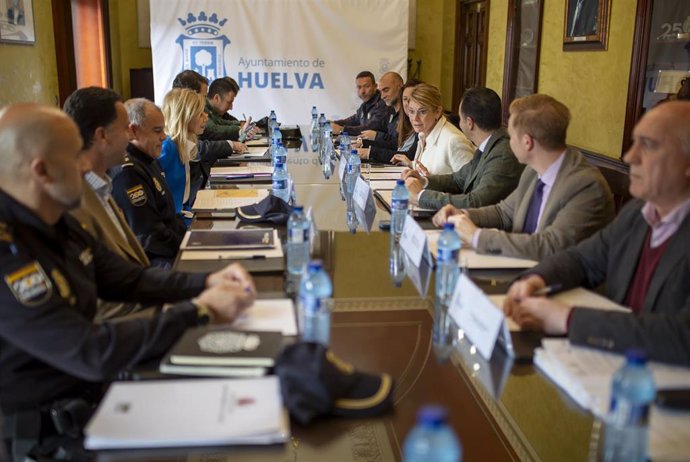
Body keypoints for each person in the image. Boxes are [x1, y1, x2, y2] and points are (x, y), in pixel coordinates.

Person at [0, 103, 256, 459]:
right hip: (49, 440)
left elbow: (128, 279)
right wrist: (199, 311)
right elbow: (89, 350)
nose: (89, 165)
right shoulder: (8, 253)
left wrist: (207, 281)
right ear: (41, 171)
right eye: (77, 157)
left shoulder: (56, 221)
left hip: (95, 404)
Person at [503, 101, 690, 366]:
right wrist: (535, 279)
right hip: (610, 366)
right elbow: (582, 258)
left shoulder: (586, 184)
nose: (629, 157)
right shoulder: (638, 212)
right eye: (634, 142)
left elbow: (682, 336)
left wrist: (567, 319)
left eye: (648, 145)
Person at [435, 94, 614, 260]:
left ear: (527, 142)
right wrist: (462, 215)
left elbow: (549, 246)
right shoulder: (533, 171)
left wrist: (477, 236)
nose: (508, 141)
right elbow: (503, 213)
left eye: (511, 136)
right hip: (520, 268)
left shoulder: (586, 185)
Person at [63, 87, 152, 319]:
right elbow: (99, 306)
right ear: (101, 135)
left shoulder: (102, 185)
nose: (131, 136)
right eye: (125, 129)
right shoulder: (71, 205)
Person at [402, 87, 524, 210]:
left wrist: (421, 196)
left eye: (460, 119)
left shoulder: (502, 154)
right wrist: (423, 181)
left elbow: (475, 203)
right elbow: (458, 179)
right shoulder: (489, 144)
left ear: (469, 123)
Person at [111, 98, 188, 268]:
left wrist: (192, 238)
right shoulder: (129, 172)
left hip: (169, 248)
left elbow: (168, 216)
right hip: (156, 261)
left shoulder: (148, 159)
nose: (164, 136)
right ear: (134, 131)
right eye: (157, 131)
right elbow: (149, 236)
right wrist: (186, 247)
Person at [390, 83, 474, 176]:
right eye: (411, 111)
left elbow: (469, 185)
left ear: (437, 112)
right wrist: (412, 164)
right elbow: (431, 169)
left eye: (422, 112)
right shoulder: (423, 133)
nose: (415, 118)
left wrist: (429, 182)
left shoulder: (454, 140)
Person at [158, 87, 207, 222]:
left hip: (182, 216)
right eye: (200, 113)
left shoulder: (182, 145)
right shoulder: (167, 148)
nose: (206, 117)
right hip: (173, 223)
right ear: (185, 116)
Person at [356, 72, 403, 162]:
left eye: (386, 90)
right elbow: (389, 142)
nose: (382, 96)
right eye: (381, 92)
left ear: (400, 87)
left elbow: (398, 145)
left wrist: (371, 149)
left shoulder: (407, 115)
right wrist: (363, 143)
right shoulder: (390, 111)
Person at [330, 71, 389, 135]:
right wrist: (333, 123)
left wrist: (342, 129)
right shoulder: (365, 104)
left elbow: (370, 128)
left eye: (366, 86)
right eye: (359, 87)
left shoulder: (383, 103)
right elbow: (354, 120)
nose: (362, 91)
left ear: (375, 87)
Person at [202, 76, 257, 143]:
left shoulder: (216, 111)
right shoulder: (200, 108)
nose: (231, 107)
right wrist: (240, 130)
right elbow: (212, 130)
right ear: (216, 98)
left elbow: (222, 122)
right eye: (229, 102)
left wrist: (241, 126)